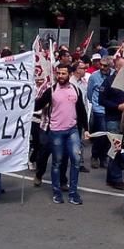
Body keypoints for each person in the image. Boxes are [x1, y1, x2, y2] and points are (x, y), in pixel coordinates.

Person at [34, 65, 87, 205]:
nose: (60, 76)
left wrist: (86, 129)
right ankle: (57, 193)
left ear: (69, 74)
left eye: (63, 73)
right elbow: (38, 105)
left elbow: (81, 110)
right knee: (57, 162)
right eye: (58, 73)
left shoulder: (75, 90)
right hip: (56, 131)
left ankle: (73, 193)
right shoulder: (51, 90)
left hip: (72, 130)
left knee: (75, 160)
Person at [99, 57, 124, 191]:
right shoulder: (109, 82)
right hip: (113, 119)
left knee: (121, 149)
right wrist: (118, 106)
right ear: (117, 68)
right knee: (116, 149)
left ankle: (111, 177)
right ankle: (115, 179)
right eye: (123, 67)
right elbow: (102, 100)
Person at [86, 57, 113, 169]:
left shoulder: (113, 76)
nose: (102, 67)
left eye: (105, 66)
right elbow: (89, 93)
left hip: (111, 109)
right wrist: (95, 104)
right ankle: (95, 156)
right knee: (101, 134)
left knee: (109, 135)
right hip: (99, 109)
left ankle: (104, 157)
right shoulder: (94, 77)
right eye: (101, 65)